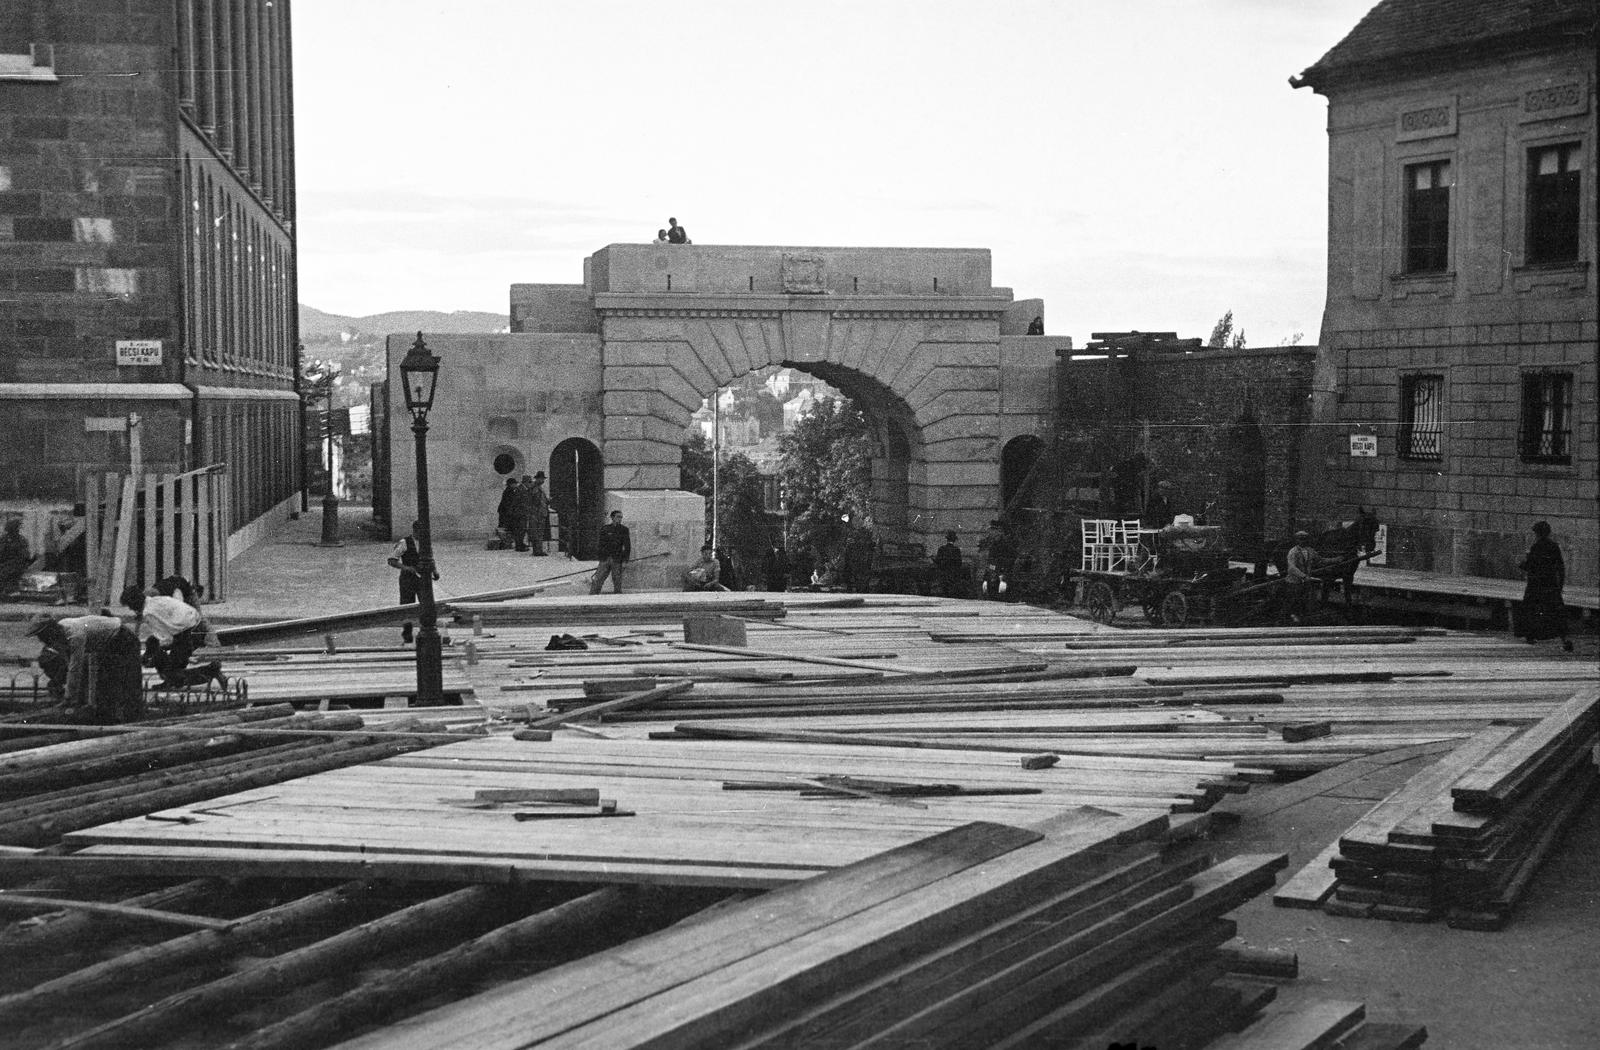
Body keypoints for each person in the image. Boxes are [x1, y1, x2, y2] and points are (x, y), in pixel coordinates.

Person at [27, 612, 144, 723]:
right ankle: (108, 715)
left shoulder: (75, 635)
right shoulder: (62, 633)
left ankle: (131, 717)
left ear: (50, 631)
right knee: (104, 681)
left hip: (123, 639)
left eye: (41, 635)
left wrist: (69, 698)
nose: (41, 640)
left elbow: (75, 668)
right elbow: (70, 664)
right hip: (108, 643)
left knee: (125, 680)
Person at [120, 584, 226, 690]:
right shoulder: (155, 600)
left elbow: (166, 640)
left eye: (130, 606)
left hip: (188, 633)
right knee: (153, 644)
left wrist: (151, 657)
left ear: (135, 603)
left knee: (172, 671)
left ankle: (210, 671)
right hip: (196, 626)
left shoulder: (148, 613)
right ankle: (169, 680)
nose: (130, 609)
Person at [1517, 521, 1572, 651]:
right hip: (1551, 584)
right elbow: (1560, 567)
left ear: (1537, 533)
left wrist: (1520, 563)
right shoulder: (1554, 546)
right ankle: (1564, 638)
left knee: (1531, 609)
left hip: (1536, 584)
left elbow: (1530, 566)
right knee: (1556, 611)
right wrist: (1560, 585)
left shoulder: (1536, 547)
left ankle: (1530, 636)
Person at [388, 521, 439, 643]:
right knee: (407, 606)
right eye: (420, 532)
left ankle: (426, 629)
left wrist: (435, 571)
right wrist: (406, 568)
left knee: (426, 603)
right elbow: (391, 560)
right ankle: (407, 634)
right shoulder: (404, 543)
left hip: (422, 578)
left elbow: (430, 558)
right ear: (415, 531)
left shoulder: (425, 544)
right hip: (408, 579)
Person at [589, 510, 631, 594]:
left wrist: (625, 560)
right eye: (618, 517)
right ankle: (593, 594)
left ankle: (618, 596)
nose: (620, 519)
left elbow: (627, 546)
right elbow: (601, 544)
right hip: (605, 558)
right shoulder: (605, 529)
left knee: (617, 580)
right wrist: (601, 557)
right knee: (599, 578)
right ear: (612, 518)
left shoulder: (624, 530)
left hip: (617, 558)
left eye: (621, 517)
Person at [1284, 530, 1319, 624]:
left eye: (1304, 539)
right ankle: (1291, 619)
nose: (1302, 541)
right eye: (1300, 539)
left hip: (1305, 582)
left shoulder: (1310, 551)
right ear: (1297, 540)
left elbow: (1320, 560)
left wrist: (1336, 560)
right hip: (1294, 582)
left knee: (1304, 602)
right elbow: (1291, 568)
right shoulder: (1293, 552)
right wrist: (1303, 576)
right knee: (1294, 601)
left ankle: (1303, 619)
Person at [0, 518, 32, 595]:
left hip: (17, 564)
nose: (18, 530)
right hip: (6, 563)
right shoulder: (4, 539)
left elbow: (25, 556)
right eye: (17, 527)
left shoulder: (21, 540)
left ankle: (9, 590)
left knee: (6, 571)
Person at [932, 531, 966, 598]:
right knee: (953, 590)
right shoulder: (956, 550)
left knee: (944, 590)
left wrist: (932, 558)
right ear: (954, 540)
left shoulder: (942, 549)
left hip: (944, 573)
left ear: (947, 539)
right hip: (953, 573)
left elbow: (937, 561)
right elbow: (959, 563)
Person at [524, 472, 550, 556]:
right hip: (537, 514)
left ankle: (538, 550)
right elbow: (533, 501)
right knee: (537, 532)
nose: (543, 480)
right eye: (541, 479)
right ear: (537, 479)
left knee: (538, 532)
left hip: (539, 513)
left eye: (543, 479)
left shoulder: (538, 488)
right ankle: (537, 551)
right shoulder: (534, 488)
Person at [497, 477, 524, 550]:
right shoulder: (510, 491)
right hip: (506, 513)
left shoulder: (509, 490)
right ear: (511, 484)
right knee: (506, 528)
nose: (516, 485)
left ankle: (506, 544)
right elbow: (509, 503)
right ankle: (504, 544)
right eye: (515, 483)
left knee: (506, 528)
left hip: (505, 512)